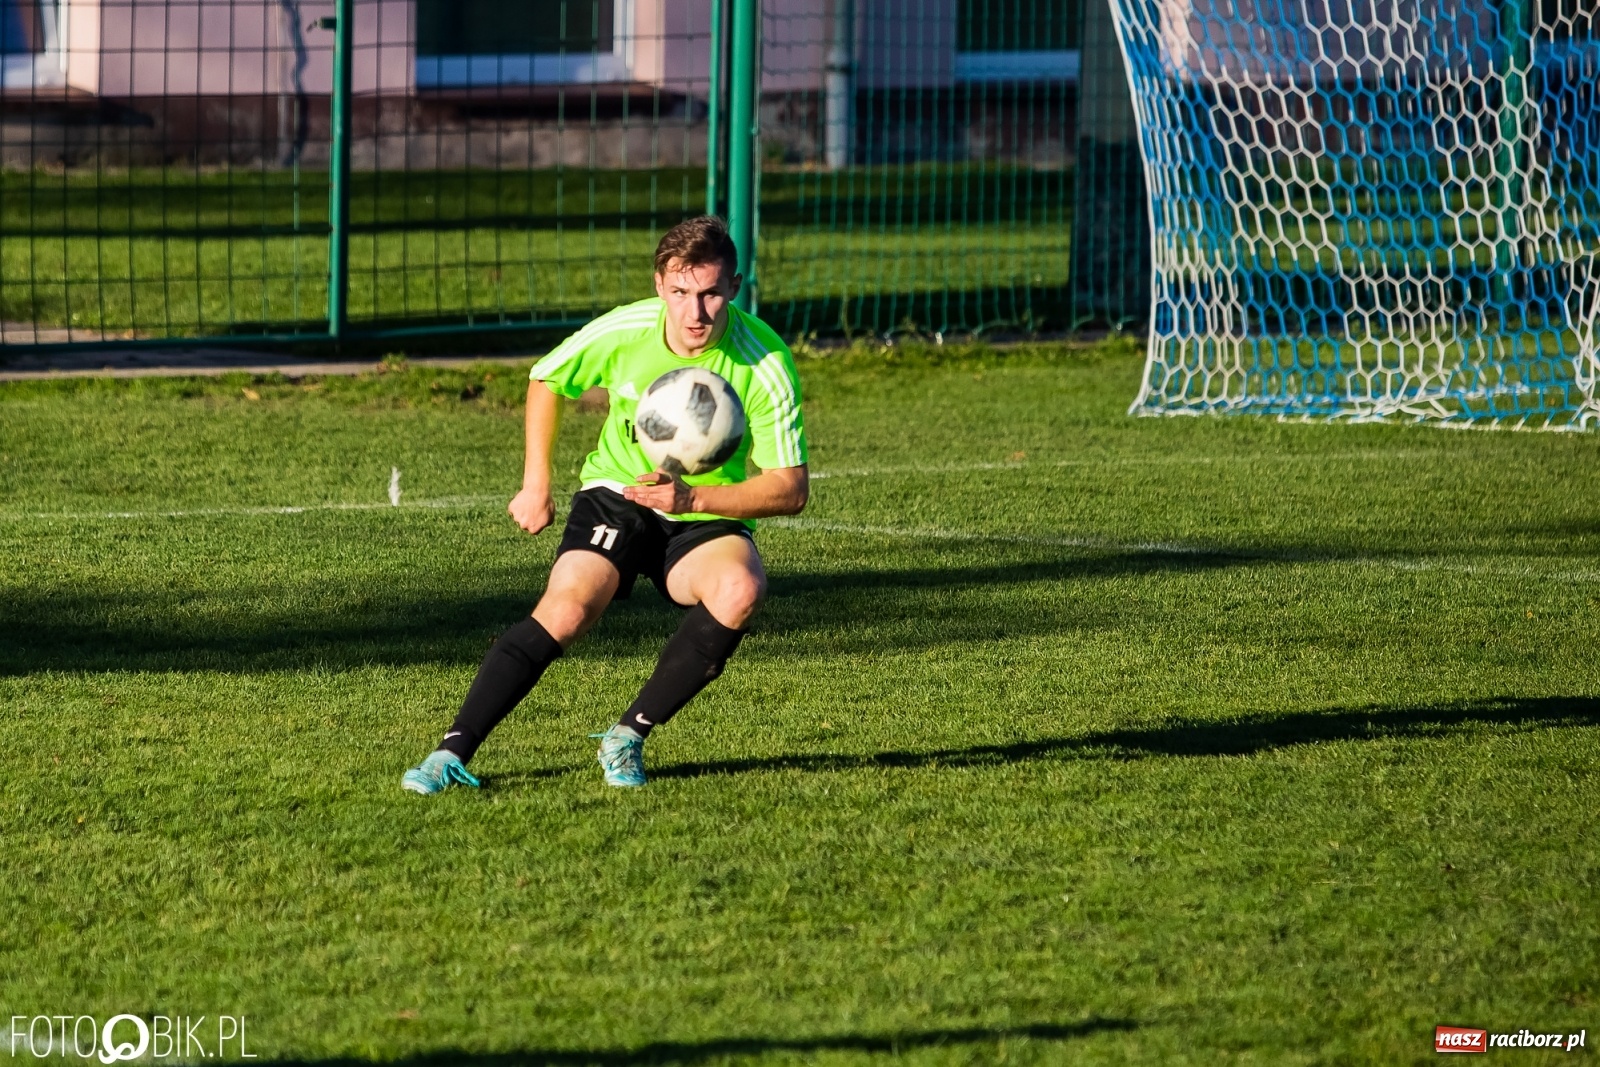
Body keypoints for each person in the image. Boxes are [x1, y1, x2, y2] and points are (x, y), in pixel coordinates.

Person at [401, 215, 809, 791]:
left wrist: (693, 496)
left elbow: (790, 489)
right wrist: (535, 484)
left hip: (704, 509)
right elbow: (547, 380)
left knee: (740, 590)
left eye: (712, 293)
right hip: (617, 493)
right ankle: (449, 754)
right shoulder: (626, 330)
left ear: (735, 288)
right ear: (659, 286)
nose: (696, 313)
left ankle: (628, 736)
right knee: (567, 610)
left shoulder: (764, 364)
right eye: (681, 293)